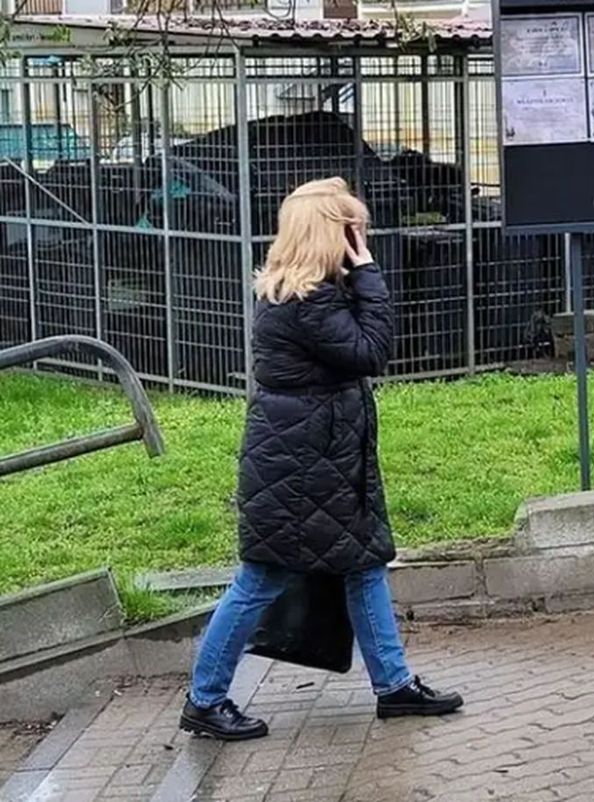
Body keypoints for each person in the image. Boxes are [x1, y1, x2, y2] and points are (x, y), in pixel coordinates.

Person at [180, 177, 463, 741]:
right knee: (261, 578)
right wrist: (368, 272)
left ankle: (394, 686)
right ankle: (204, 699)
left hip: (321, 462)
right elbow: (370, 351)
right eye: (354, 229)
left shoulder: (302, 293)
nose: (363, 237)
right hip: (299, 469)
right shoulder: (308, 302)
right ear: (331, 236)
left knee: (363, 566)